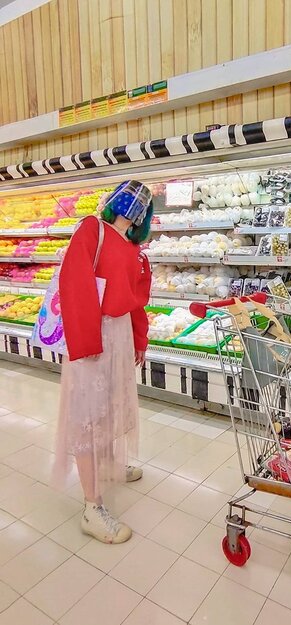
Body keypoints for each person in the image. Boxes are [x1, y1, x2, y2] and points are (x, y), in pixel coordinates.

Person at [54, 180, 153, 544]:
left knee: (111, 406)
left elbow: (136, 299)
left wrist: (139, 337)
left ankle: (110, 464)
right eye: (128, 197)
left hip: (120, 336)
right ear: (113, 201)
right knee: (87, 414)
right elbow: (73, 283)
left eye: (140, 203)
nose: (133, 206)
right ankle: (92, 507)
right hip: (93, 335)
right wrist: (85, 342)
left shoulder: (134, 248)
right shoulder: (91, 229)